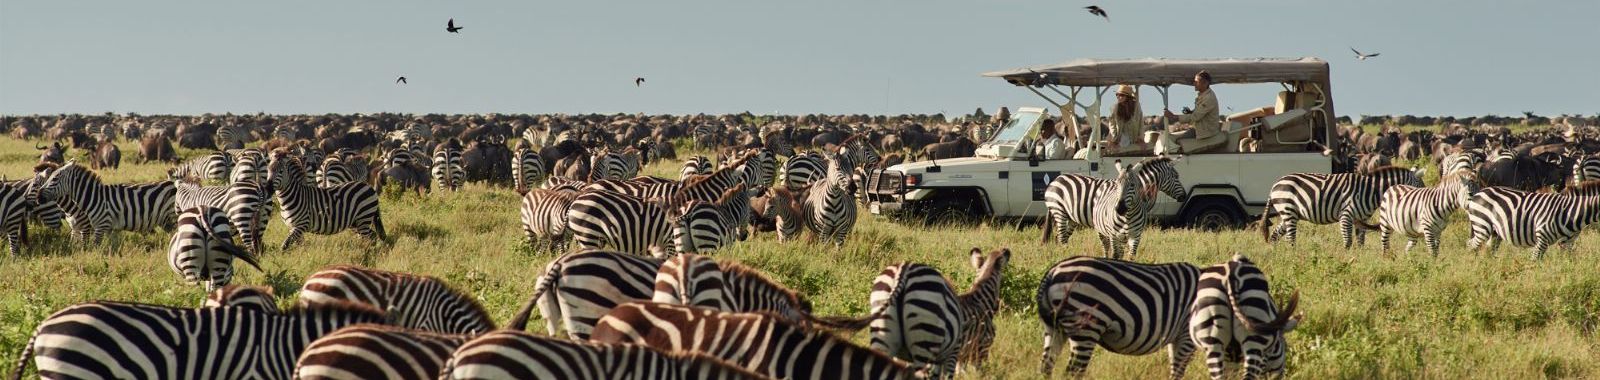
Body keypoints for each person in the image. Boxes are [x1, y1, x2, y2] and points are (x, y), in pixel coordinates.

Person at [1164, 71, 1221, 141]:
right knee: (1172, 137)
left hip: (1206, 132)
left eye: (1196, 82)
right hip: (1200, 128)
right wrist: (1191, 112)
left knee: (1178, 141)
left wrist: (1174, 117)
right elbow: (1198, 113)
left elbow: (1195, 117)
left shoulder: (1209, 98)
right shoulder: (1203, 95)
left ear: (1205, 83)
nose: (1194, 84)